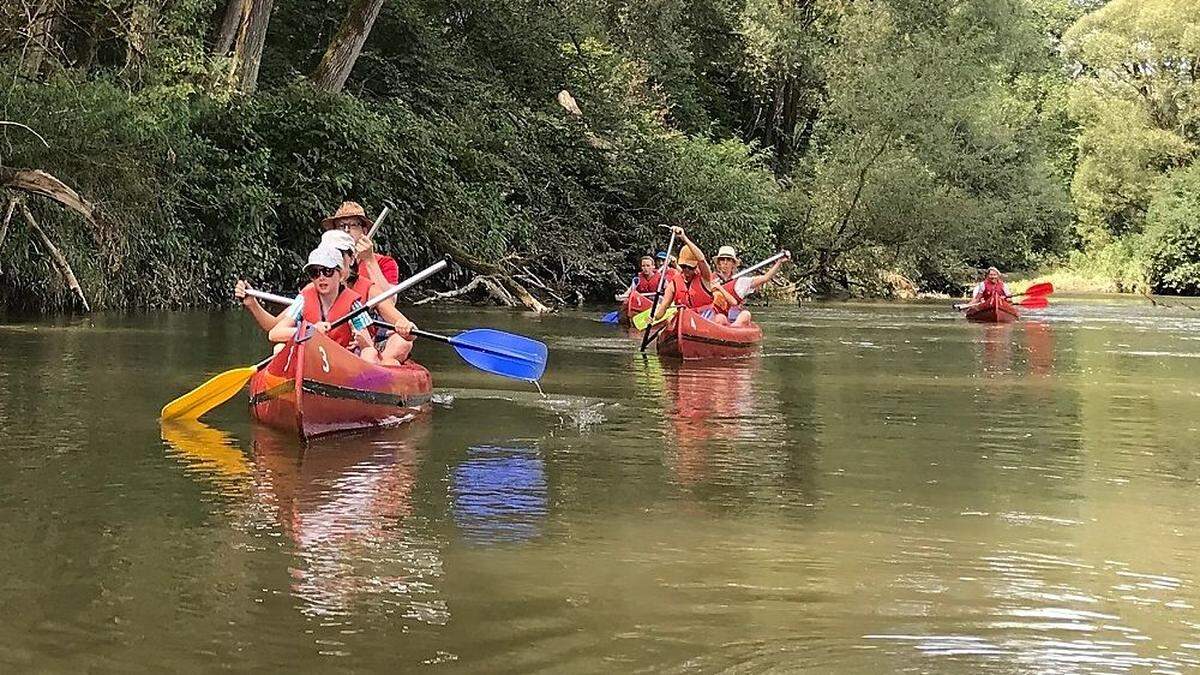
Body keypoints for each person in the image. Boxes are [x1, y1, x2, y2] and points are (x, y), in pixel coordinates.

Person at [268, 246, 376, 358]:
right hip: (311, 359)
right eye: (315, 272)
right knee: (279, 348)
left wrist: (361, 342)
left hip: (341, 360)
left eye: (327, 271)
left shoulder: (353, 305)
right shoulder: (303, 299)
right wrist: (310, 331)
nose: (321, 277)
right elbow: (274, 334)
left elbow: (369, 345)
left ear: (341, 275)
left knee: (370, 353)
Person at [652, 226, 736, 323]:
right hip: (684, 319)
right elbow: (664, 306)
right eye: (683, 266)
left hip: (706, 319)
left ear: (696, 266)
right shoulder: (673, 284)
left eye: (690, 267)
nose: (686, 270)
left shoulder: (705, 277)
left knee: (720, 318)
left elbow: (701, 259)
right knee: (670, 319)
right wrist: (654, 318)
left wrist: (684, 238)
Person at [711, 245, 791, 327]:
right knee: (720, 318)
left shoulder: (741, 282)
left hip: (732, 317)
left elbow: (765, 278)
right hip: (715, 316)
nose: (725, 262)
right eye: (722, 259)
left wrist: (779, 262)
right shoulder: (710, 279)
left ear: (733, 263)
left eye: (728, 260)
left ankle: (733, 330)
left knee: (746, 314)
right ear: (718, 263)